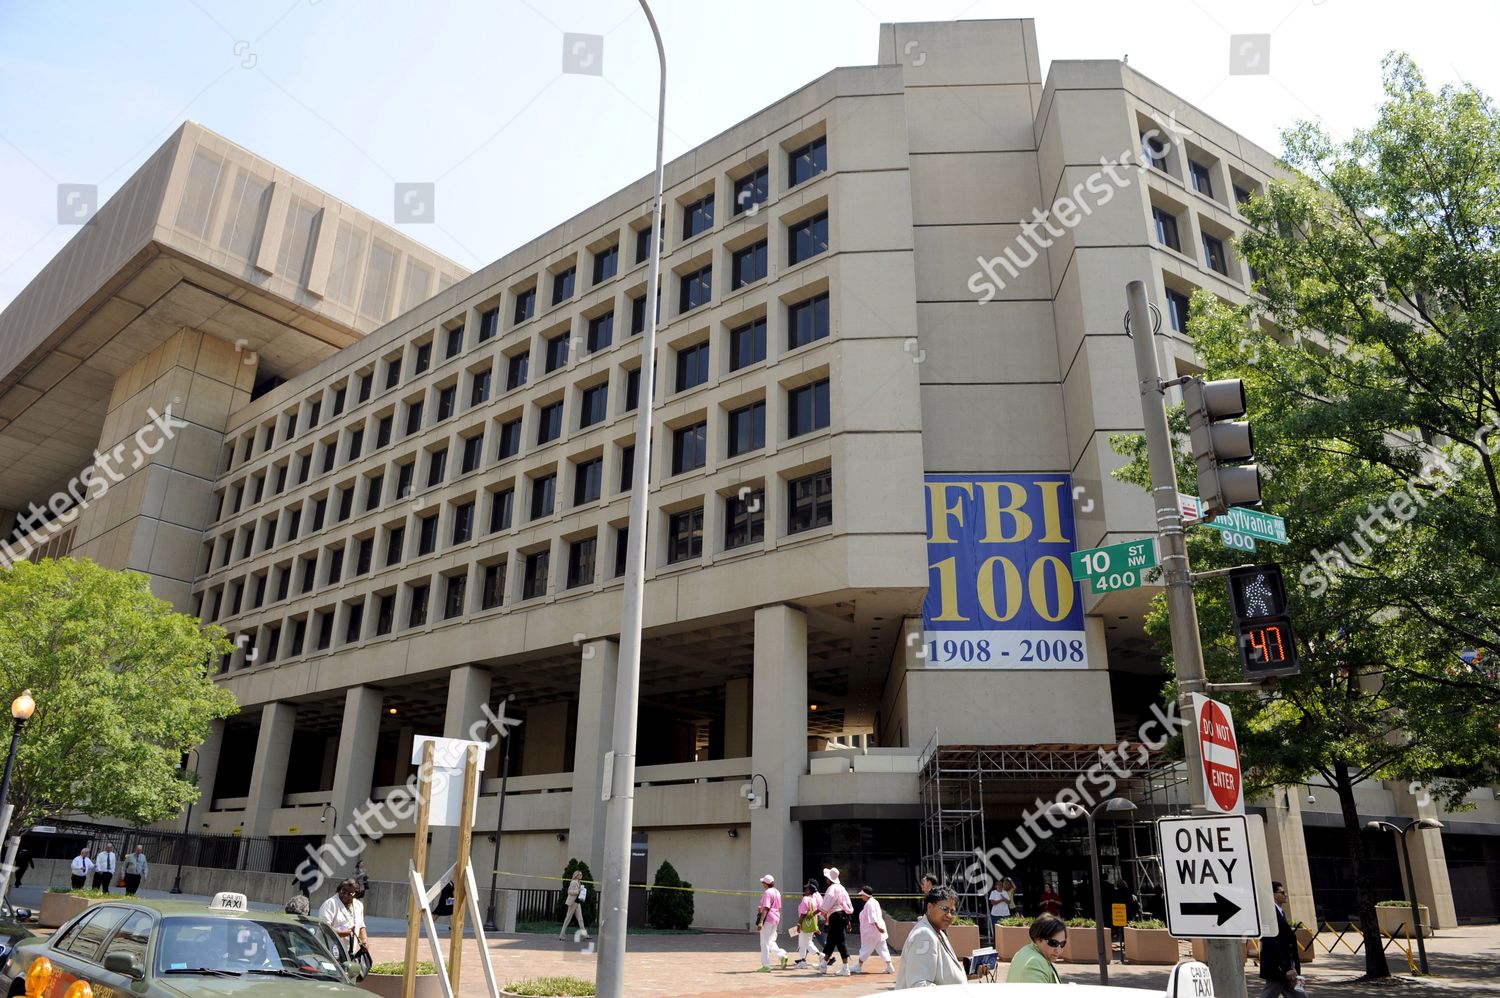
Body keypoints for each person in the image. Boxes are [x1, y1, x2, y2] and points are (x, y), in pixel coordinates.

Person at [893, 884, 966, 988]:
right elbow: (919, 985)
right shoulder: (924, 935)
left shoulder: (937, 931)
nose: (949, 915)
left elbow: (941, 974)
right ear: (930, 907)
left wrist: (966, 975)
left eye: (952, 911)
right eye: (945, 909)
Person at [1259, 881, 1304, 997]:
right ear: (1274, 895)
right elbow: (1271, 943)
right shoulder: (1270, 915)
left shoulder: (1280, 913)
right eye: (1282, 892)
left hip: (1289, 968)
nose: (1286, 894)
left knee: (1300, 995)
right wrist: (1285, 968)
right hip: (1279, 969)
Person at [317, 878, 368, 961]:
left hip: (350, 953)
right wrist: (339, 933)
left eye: (350, 893)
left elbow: (361, 926)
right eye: (343, 891)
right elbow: (323, 927)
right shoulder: (330, 904)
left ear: (356, 894)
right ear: (339, 889)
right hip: (331, 952)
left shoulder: (358, 905)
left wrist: (364, 940)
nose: (345, 895)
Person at [1007, 913, 1067, 983]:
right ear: (1038, 939)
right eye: (1053, 943)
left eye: (1062, 944)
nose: (1058, 950)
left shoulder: (1025, 951)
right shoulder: (1035, 962)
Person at [816, 866, 854, 975]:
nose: (826, 880)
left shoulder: (832, 888)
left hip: (836, 916)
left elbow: (827, 903)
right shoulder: (842, 888)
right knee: (832, 940)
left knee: (840, 941)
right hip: (841, 916)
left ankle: (845, 968)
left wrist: (816, 913)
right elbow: (847, 904)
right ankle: (824, 964)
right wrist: (848, 920)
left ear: (829, 879)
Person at [853, 886, 894, 975]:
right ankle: (890, 966)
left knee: (866, 948)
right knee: (882, 948)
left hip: (872, 931)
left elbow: (873, 918)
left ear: (865, 895)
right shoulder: (874, 902)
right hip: (876, 931)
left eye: (862, 895)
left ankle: (858, 966)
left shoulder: (870, 904)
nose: (861, 897)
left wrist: (878, 928)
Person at [755, 874, 788, 971]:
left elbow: (766, 907)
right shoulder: (777, 892)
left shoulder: (767, 892)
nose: (762, 884)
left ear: (766, 883)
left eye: (763, 883)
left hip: (768, 918)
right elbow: (778, 907)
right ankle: (781, 955)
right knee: (770, 941)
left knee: (764, 942)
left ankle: (766, 965)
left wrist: (761, 921)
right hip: (776, 918)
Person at [793, 881, 823, 968]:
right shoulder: (813, 900)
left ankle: (802, 961)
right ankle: (821, 955)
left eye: (806, 889)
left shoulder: (805, 899)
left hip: (805, 924)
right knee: (808, 943)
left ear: (809, 891)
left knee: (802, 943)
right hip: (811, 924)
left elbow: (803, 913)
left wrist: (799, 923)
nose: (805, 890)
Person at [560, 870, 589, 940]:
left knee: (580, 919)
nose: (581, 876)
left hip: (577, 902)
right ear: (577, 876)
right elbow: (569, 891)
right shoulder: (573, 882)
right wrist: (578, 891)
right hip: (573, 902)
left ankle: (585, 935)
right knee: (568, 919)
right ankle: (561, 935)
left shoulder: (579, 882)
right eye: (580, 875)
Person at [988, 876, 1014, 945]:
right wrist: (1001, 900)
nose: (999, 887)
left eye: (1001, 886)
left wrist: (1004, 899)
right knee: (996, 930)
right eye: (998, 886)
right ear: (996, 886)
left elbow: (1008, 902)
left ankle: (1006, 943)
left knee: (1006, 929)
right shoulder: (993, 892)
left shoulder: (1005, 892)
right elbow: (993, 903)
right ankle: (996, 944)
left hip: (1005, 914)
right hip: (995, 914)